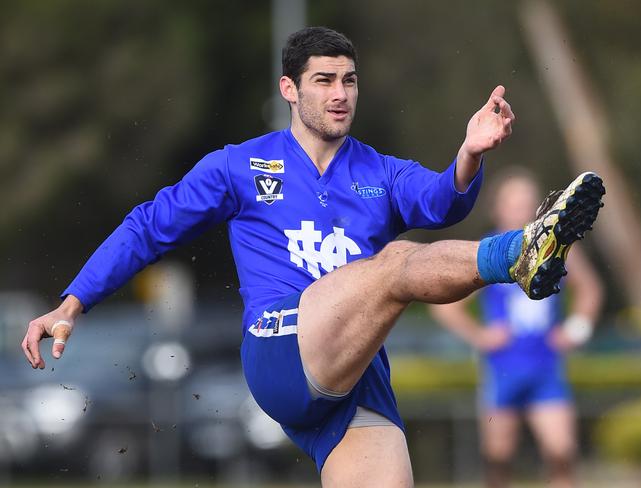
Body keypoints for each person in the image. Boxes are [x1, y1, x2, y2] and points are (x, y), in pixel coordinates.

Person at [22, 27, 604, 487]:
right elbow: (149, 227)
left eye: (349, 81)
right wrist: (72, 303)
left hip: (354, 377)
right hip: (280, 345)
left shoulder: (378, 170)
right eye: (324, 80)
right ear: (289, 89)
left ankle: (525, 252)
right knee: (398, 263)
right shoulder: (240, 165)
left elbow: (440, 200)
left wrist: (470, 154)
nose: (340, 94)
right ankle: (521, 252)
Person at [430, 167, 604, 488]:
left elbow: (590, 289)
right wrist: (480, 336)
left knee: (562, 452)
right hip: (502, 369)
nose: (521, 209)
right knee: (498, 459)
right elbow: (445, 307)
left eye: (527, 202)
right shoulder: (488, 251)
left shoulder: (557, 247)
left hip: (545, 366)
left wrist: (576, 329)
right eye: (513, 202)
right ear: (498, 207)